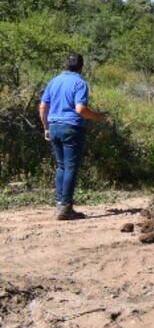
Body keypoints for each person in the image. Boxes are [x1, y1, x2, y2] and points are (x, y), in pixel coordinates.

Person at [38, 52, 108, 220]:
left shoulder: (54, 81)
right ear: (81, 67)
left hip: (54, 126)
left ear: (65, 65)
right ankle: (66, 208)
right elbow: (80, 109)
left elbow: (43, 107)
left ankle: (60, 205)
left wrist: (46, 127)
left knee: (61, 166)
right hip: (71, 128)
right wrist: (98, 116)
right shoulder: (79, 83)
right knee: (70, 167)